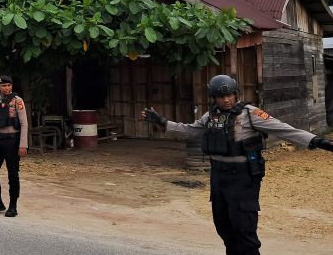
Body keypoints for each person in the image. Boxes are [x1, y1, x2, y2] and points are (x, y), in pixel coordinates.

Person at [142, 74, 333, 255]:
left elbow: (284, 129)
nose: (226, 100)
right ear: (214, 98)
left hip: (243, 178)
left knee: (244, 230)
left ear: (236, 94)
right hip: (218, 177)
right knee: (224, 228)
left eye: (229, 95)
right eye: (221, 96)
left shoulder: (251, 113)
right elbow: (190, 131)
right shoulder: (210, 117)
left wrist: (318, 141)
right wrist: (162, 122)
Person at [0, 75, 28, 218]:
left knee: (12, 174)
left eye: (9, 85)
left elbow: (24, 123)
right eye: (4, 86)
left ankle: (13, 206)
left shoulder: (17, 101)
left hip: (12, 141)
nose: (7, 88)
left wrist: (23, 145)